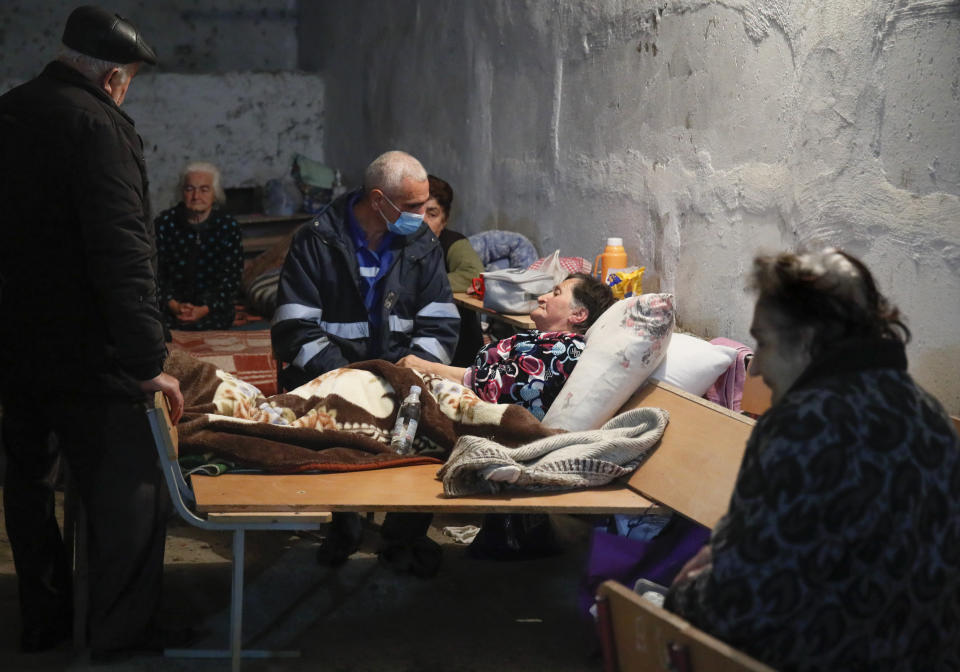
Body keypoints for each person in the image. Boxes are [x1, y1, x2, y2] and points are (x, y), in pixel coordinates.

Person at [665, 249, 960, 671]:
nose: (756, 369)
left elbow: (746, 605)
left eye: (764, 343)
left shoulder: (804, 425)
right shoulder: (927, 414)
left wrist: (681, 595)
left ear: (806, 340)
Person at [0, 5, 185, 659]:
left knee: (26, 490)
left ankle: (45, 622)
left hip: (13, 352)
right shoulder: (97, 125)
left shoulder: (10, 110)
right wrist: (146, 360)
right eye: (128, 79)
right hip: (87, 354)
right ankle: (119, 638)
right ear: (112, 78)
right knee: (130, 496)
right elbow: (121, 251)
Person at [272, 150, 460, 567]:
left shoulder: (422, 245)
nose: (422, 215)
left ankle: (403, 535)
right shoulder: (316, 240)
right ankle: (344, 524)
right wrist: (349, 381)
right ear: (379, 200)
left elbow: (440, 324)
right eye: (413, 207)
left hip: (400, 381)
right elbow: (294, 327)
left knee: (429, 428)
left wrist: (408, 378)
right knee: (340, 441)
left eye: (427, 205)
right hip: (331, 379)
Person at [399, 272, 616, 419]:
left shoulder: (565, 351)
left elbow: (498, 386)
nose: (542, 297)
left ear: (578, 314)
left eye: (556, 293)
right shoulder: (545, 340)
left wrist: (425, 367)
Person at [156, 161, 244, 330]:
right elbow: (155, 271)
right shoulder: (164, 224)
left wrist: (204, 308)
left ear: (215, 194)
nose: (196, 196)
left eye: (204, 189)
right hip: (169, 309)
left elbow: (232, 276)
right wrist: (174, 305)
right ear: (182, 192)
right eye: (190, 189)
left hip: (213, 310)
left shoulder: (227, 226)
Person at [423, 175, 485, 366]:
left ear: (444, 220)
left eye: (432, 214)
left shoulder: (452, 242)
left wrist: (421, 283)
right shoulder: (393, 246)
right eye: (416, 212)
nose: (422, 221)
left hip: (457, 347)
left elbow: (474, 276)